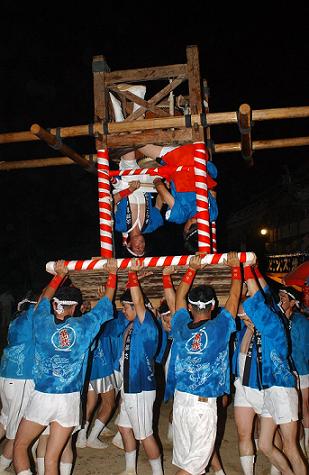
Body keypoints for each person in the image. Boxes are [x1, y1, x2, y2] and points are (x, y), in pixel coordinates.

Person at [13, 259, 117, 475]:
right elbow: (107, 303)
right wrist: (112, 274)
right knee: (53, 458)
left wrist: (59, 275)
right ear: (76, 307)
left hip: (42, 396)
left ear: (54, 305)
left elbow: (43, 298)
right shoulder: (84, 325)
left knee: (20, 447)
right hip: (69, 401)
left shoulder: (41, 321)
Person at [169, 252, 242, 475]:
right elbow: (234, 298)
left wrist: (191, 268)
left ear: (190, 308)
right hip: (202, 406)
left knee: (188, 463)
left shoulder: (180, 325)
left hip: (180, 402)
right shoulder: (220, 328)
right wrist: (235, 267)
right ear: (213, 306)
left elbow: (179, 297)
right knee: (193, 467)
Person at [242, 260, 307, 475]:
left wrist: (244, 268)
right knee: (265, 445)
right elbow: (260, 299)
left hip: (283, 389)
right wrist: (251, 269)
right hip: (269, 389)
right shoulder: (268, 323)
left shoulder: (274, 324)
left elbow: (258, 300)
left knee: (290, 447)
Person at [115, 260, 163, 475]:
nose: (123, 311)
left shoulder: (147, 324)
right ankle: (129, 469)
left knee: (144, 435)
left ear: (137, 307)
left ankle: (157, 472)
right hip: (129, 388)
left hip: (140, 388)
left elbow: (139, 303)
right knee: (124, 428)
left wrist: (133, 275)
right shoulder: (132, 325)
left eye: (126, 307)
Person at [137, 143, 218, 252]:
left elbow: (212, 191)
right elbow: (160, 187)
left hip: (201, 155)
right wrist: (157, 180)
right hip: (181, 157)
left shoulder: (212, 214)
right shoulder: (180, 215)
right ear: (187, 230)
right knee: (138, 145)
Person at [0, 293, 37, 474]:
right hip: (21, 379)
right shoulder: (31, 318)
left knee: (5, 421)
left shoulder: (17, 320)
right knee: (19, 433)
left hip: (7, 376)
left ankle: (2, 464)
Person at [278, 285, 309, 457]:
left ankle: (306, 445)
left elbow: (306, 348)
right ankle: (294, 445)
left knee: (303, 407)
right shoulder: (277, 320)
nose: (280, 300)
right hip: (284, 372)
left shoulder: (301, 322)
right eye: (279, 296)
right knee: (291, 411)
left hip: (301, 369)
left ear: (293, 302)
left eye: (283, 297)